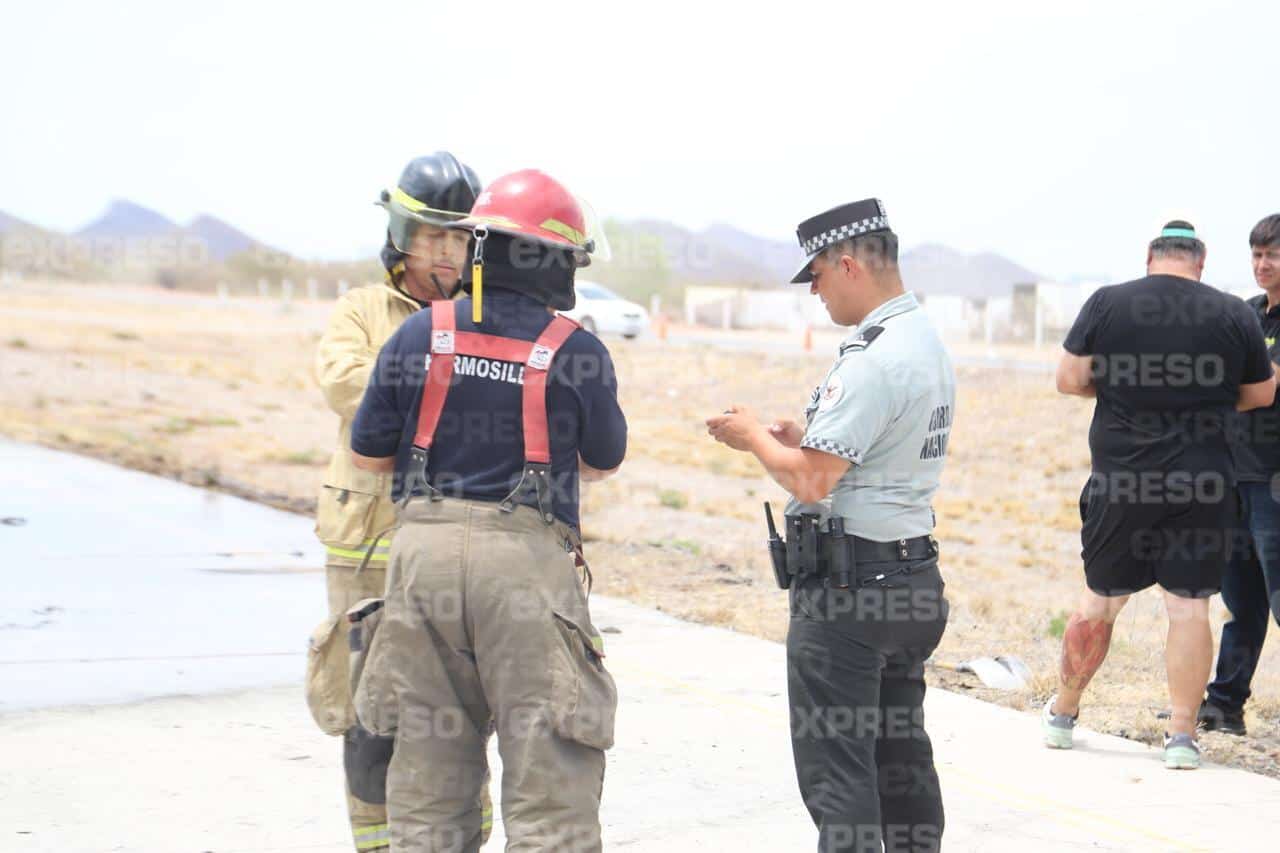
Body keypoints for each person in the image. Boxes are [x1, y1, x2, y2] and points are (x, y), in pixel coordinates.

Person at [349, 169, 627, 852]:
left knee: (428, 786)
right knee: (549, 788)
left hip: (422, 571)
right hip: (525, 576)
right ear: (560, 263)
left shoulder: (418, 335)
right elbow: (601, 460)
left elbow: (368, 457)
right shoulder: (578, 352)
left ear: (481, 248)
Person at [707, 198, 954, 853]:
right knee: (901, 763)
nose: (813, 290)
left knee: (840, 776)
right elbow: (871, 447)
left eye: (815, 274)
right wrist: (801, 433)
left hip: (850, 594)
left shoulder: (872, 357)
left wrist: (755, 437)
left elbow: (812, 480)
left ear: (848, 265)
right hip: (910, 579)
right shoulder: (921, 338)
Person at [1045, 220, 1276, 769]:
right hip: (1203, 484)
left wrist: (1127, 391)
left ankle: (1063, 714)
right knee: (1190, 607)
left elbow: (1069, 379)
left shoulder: (1107, 302)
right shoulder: (1233, 312)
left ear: (1150, 257)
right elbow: (1262, 391)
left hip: (1122, 481)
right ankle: (1181, 737)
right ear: (1200, 262)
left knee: (1100, 601)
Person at [307, 152, 483, 853]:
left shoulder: (483, 313)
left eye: (459, 237)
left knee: (462, 713)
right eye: (432, 235)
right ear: (402, 235)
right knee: (369, 714)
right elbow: (347, 385)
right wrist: (450, 389)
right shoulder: (361, 310)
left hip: (455, 546)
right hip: (368, 548)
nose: (446, 251)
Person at [1202, 213, 1280, 735]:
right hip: (1235, 477)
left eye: (1271, 254)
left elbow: (1260, 386)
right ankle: (1224, 705)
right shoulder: (1249, 314)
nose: (1261, 264)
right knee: (1241, 602)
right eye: (1255, 254)